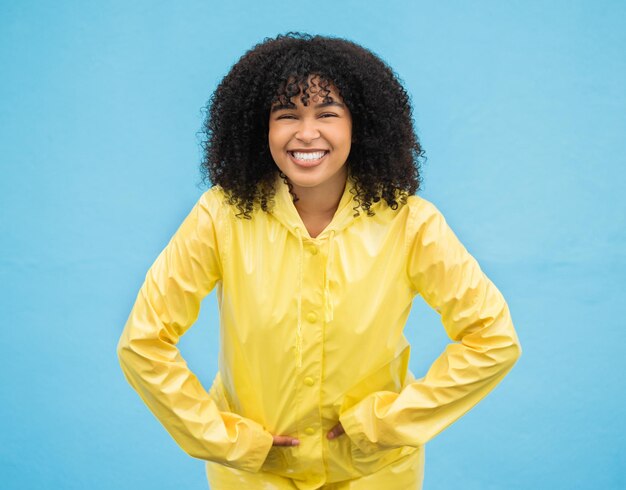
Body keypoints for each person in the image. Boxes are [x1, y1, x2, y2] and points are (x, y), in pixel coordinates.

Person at [117, 32, 522, 489]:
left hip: (375, 474)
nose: (306, 133)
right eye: (287, 115)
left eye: (327, 114)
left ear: (359, 126)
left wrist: (386, 425)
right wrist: (228, 441)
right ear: (261, 128)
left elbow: (493, 339)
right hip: (254, 479)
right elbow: (143, 343)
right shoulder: (220, 216)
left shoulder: (411, 223)